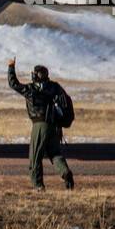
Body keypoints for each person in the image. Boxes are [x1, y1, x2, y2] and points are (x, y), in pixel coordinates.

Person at [8, 58, 75, 191]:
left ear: (34, 75)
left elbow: (13, 84)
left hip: (39, 125)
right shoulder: (55, 87)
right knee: (55, 154)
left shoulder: (30, 89)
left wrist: (11, 67)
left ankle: (38, 186)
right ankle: (66, 173)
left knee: (35, 156)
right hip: (54, 126)